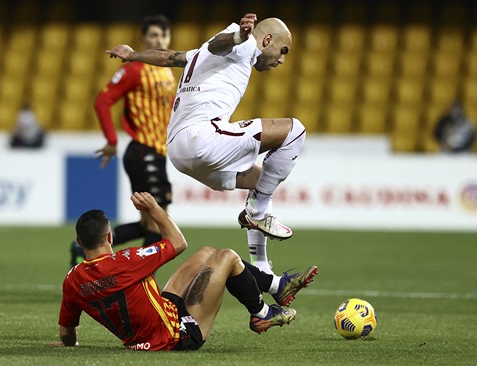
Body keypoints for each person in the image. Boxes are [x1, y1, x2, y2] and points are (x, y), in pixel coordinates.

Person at [106, 13, 306, 275]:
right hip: (202, 139)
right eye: (283, 51)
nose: (281, 59)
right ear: (267, 39)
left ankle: (262, 270)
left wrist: (133, 55)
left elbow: (169, 57)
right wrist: (238, 36)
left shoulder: (200, 54)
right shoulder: (242, 43)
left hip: (178, 150)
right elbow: (219, 44)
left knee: (261, 182)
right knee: (295, 130)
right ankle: (255, 214)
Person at [58, 192, 318, 351]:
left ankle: (277, 287)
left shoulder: (72, 280)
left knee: (207, 253)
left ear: (80, 243)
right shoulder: (127, 260)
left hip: (153, 324)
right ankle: (261, 313)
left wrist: (69, 345)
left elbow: (66, 332)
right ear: (110, 236)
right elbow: (178, 242)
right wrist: (154, 209)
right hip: (176, 336)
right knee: (226, 256)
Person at [70, 15, 177, 266]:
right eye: (153, 35)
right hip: (143, 150)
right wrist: (111, 140)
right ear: (142, 39)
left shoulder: (168, 71)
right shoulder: (134, 70)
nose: (159, 40)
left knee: (149, 223)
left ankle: (81, 249)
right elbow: (102, 101)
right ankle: (143, 281)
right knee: (158, 221)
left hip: (157, 151)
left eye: (163, 35)